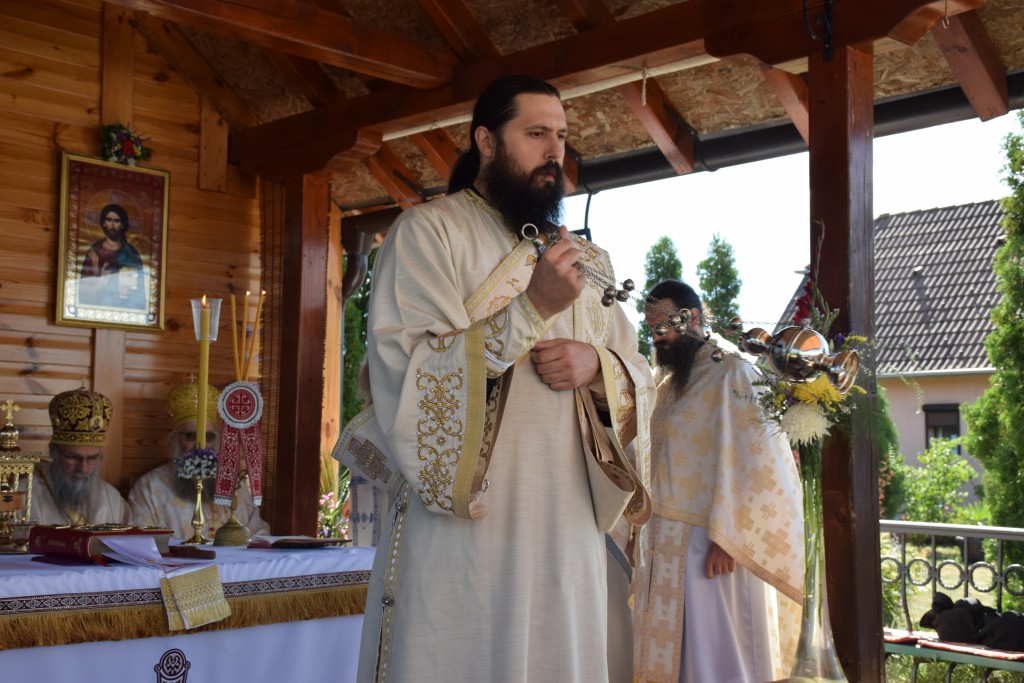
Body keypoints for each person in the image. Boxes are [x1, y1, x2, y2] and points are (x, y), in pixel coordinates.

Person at [354, 74, 656, 683]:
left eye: (561, 137)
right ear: (486, 141)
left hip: (565, 523)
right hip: (467, 523)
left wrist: (598, 367)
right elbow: (406, 375)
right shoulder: (429, 233)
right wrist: (532, 308)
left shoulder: (587, 263)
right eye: (536, 133)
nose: (554, 152)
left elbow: (639, 377)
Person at [632, 280, 804, 683]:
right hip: (665, 540)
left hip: (714, 541)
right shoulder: (668, 379)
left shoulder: (732, 369)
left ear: (691, 317)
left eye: (662, 326)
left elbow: (757, 456)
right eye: (651, 327)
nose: (656, 337)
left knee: (715, 657)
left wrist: (730, 537)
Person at [128, 380, 269, 541]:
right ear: (175, 440)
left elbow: (259, 533)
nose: (201, 445)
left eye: (209, 436)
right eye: (191, 436)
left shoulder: (235, 484)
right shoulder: (150, 488)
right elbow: (142, 543)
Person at [28, 386, 130, 526]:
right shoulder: (24, 495)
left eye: (92, 458)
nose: (83, 468)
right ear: (53, 452)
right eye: (74, 457)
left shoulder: (111, 499)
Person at [79, 202, 145, 309]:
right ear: (104, 223)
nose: (112, 225)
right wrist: (99, 280)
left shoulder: (131, 254)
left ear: (122, 225)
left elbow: (139, 292)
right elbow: (83, 293)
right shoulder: (94, 253)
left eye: (117, 221)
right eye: (109, 220)